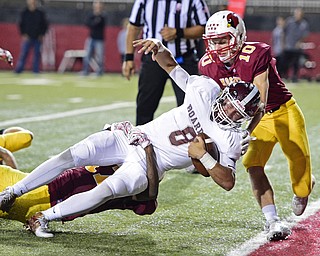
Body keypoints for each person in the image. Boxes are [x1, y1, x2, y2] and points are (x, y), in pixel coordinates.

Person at [0, 38, 261, 238]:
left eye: (237, 114)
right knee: (72, 155)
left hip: (151, 164)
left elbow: (227, 182)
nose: (229, 113)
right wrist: (158, 47)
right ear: (224, 95)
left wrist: (202, 155)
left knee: (106, 190)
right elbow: (171, 65)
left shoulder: (231, 138)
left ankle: (43, 217)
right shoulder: (205, 91)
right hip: (134, 136)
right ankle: (11, 192)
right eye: (229, 105)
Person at [199, 10, 314, 241]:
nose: (218, 46)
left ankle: (304, 188)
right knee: (252, 163)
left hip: (282, 111)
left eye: (223, 39)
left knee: (300, 174)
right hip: (252, 120)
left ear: (238, 37)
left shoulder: (255, 53)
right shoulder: (207, 65)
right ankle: (272, 220)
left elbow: (259, 102)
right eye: (214, 41)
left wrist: (246, 131)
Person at [0, 147, 158, 234]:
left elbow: (149, 200)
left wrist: (150, 158)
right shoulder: (117, 150)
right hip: (36, 188)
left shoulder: (135, 187)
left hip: (45, 202)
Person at [122, 0, 210, 125]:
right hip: (153, 60)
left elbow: (205, 27)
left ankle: (193, 143)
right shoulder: (145, 1)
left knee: (191, 107)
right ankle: (140, 142)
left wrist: (179, 32)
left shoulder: (193, 1)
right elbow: (133, 26)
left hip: (183, 60)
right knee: (144, 107)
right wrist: (128, 57)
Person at [15, 0, 48, 74]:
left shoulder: (40, 13)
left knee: (37, 54)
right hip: (27, 37)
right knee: (24, 53)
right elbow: (21, 24)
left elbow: (45, 25)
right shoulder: (24, 13)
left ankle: (36, 70)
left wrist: (42, 34)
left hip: (37, 38)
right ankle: (19, 70)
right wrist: (23, 34)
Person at [282, 8, 310, 83]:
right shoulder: (289, 22)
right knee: (285, 63)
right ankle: (284, 76)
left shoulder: (304, 24)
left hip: (297, 48)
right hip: (288, 46)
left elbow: (305, 35)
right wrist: (283, 44)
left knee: (296, 64)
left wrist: (300, 42)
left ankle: (294, 77)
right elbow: (284, 32)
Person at [82, 0, 106, 77]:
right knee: (87, 55)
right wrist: (95, 21)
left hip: (100, 39)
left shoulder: (103, 15)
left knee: (99, 56)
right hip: (91, 38)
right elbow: (88, 23)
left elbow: (101, 24)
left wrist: (95, 22)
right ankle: (85, 70)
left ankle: (100, 71)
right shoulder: (91, 15)